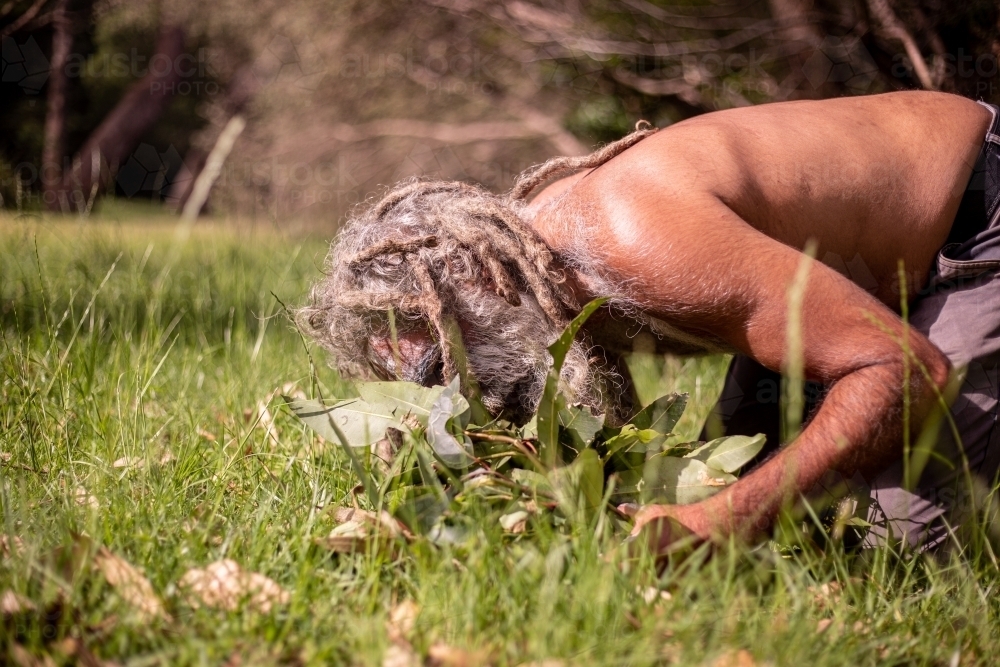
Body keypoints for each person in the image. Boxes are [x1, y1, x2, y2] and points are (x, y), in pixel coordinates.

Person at [300, 90, 1000, 552]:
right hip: (847, 284)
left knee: (883, 545)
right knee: (781, 520)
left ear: (478, 277)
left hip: (972, 220)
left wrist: (719, 525)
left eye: (445, 366)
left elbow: (903, 370)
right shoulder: (551, 280)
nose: (463, 392)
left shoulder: (629, 243)